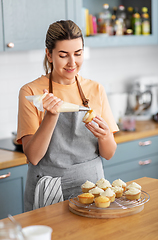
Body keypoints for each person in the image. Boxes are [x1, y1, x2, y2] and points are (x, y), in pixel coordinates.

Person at [17, 20, 119, 212]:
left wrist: (105, 136)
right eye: (63, 55)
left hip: (92, 189)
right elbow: (33, 156)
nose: (72, 63)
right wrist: (51, 115)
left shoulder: (95, 89)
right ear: (49, 54)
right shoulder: (31, 92)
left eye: (78, 54)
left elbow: (109, 153)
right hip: (49, 189)